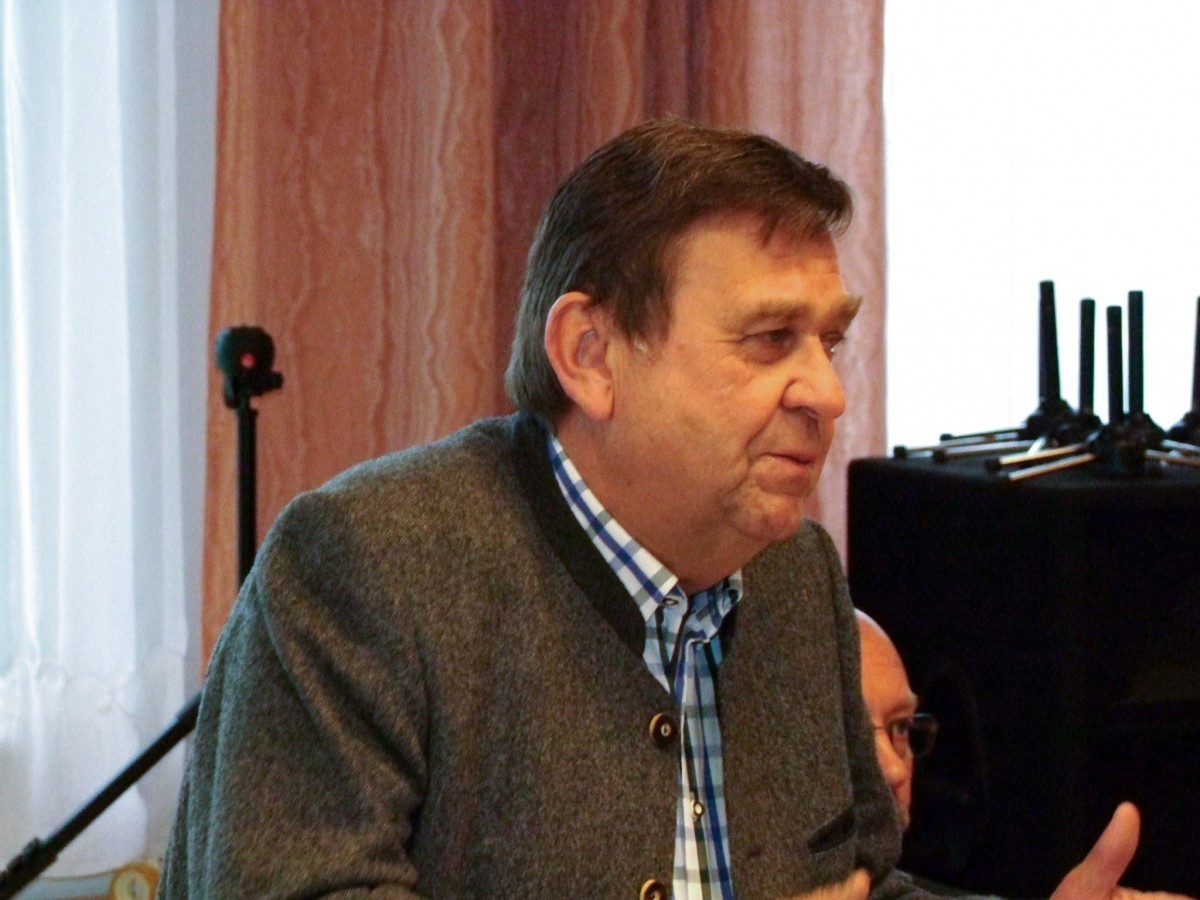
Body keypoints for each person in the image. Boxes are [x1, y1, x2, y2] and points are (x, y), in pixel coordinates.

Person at [160, 118, 1182, 900]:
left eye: (830, 341)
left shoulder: (798, 576)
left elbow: (862, 888)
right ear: (591, 356)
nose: (827, 393)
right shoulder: (365, 566)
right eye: (770, 340)